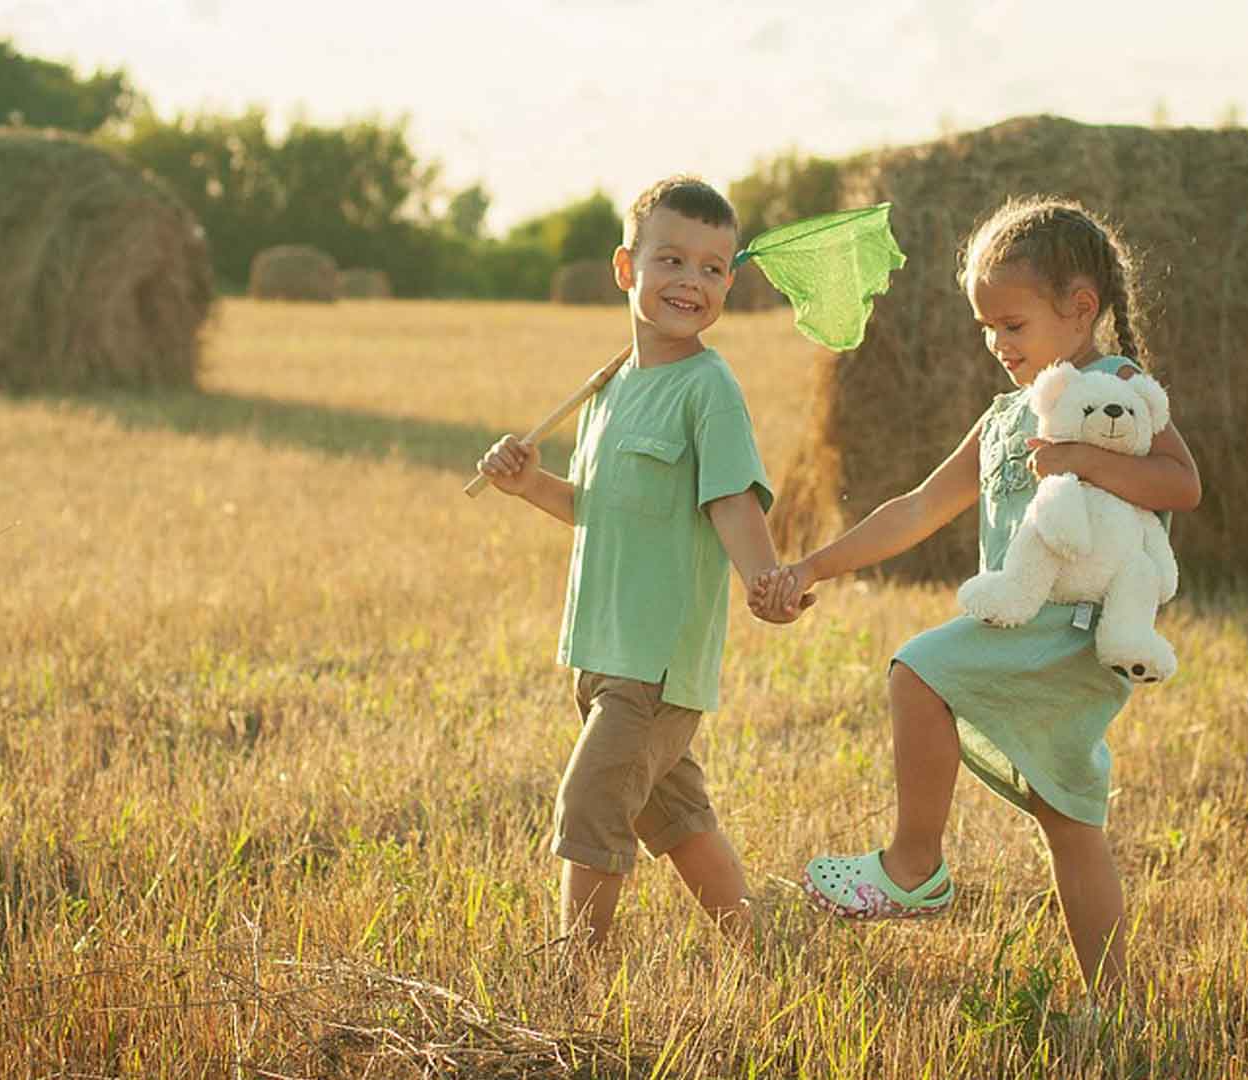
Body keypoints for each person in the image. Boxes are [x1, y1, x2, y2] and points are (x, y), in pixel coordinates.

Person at [752, 196, 1201, 1001]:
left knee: (918, 671)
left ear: (1080, 309)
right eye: (986, 328)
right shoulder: (1003, 419)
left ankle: (913, 866)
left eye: (1013, 325)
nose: (998, 345)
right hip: (1032, 627)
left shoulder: (1116, 387)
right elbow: (918, 508)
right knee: (1071, 827)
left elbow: (1181, 483)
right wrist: (815, 566)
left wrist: (1077, 458)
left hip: (1073, 631)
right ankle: (1117, 1005)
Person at [477, 176, 807, 952]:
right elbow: (593, 508)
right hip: (599, 650)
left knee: (591, 802)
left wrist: (767, 580)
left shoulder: (709, 390)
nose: (691, 282)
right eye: (672, 260)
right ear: (626, 269)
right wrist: (529, 485)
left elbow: (732, 502)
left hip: (655, 663)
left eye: (713, 268)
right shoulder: (608, 388)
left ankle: (575, 973)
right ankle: (755, 944)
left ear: (730, 282)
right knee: (675, 815)